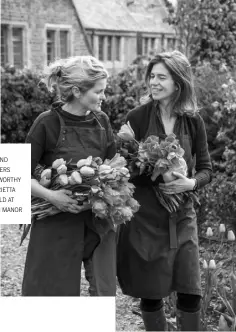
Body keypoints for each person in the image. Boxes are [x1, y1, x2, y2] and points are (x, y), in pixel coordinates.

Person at [117, 50, 212, 331]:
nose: (154, 82)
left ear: (178, 83)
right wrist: (144, 161)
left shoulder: (193, 121)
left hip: (182, 215)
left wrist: (190, 183)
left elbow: (206, 168)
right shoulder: (138, 117)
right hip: (146, 218)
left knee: (190, 289)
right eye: (152, 76)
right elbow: (124, 167)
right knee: (151, 291)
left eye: (162, 77)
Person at [22, 55, 116, 296]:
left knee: (103, 294)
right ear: (77, 90)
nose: (104, 97)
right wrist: (52, 197)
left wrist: (94, 200)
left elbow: (114, 170)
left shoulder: (103, 122)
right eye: (99, 91)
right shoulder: (46, 123)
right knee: (53, 297)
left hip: (96, 221)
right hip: (56, 222)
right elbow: (17, 175)